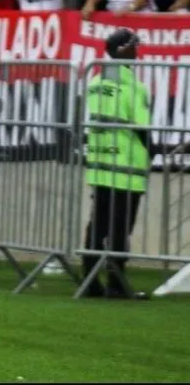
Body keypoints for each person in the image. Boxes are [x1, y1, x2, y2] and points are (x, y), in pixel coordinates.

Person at [82, 27, 151, 300]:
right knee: (121, 227)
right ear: (123, 50)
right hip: (127, 167)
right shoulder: (132, 85)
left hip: (100, 164)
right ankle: (116, 283)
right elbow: (142, 127)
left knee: (97, 224)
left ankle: (89, 281)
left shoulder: (95, 81)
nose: (138, 52)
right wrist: (154, 151)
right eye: (135, 47)